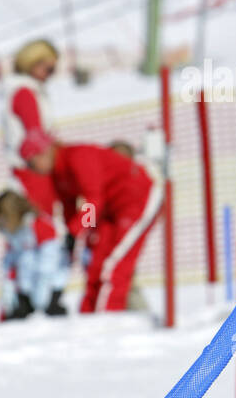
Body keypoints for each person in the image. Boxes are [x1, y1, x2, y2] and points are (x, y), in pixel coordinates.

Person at [21, 129, 163, 313]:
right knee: (95, 267)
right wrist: (71, 236)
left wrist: (76, 230)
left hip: (137, 200)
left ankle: (106, 321)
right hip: (108, 212)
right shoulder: (58, 174)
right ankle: (88, 319)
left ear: (44, 152)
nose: (33, 169)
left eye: (32, 163)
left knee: (113, 267)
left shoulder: (78, 157)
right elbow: (69, 208)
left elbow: (93, 200)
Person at [3, 38, 60, 220]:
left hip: (30, 169)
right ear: (33, 64)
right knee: (41, 225)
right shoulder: (25, 93)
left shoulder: (27, 90)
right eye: (48, 69)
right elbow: (34, 135)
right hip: (33, 172)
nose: (50, 75)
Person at [0, 188, 68, 319]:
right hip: (27, 287)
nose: (2, 225)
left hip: (49, 286)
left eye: (4, 220)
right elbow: (12, 261)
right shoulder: (15, 233)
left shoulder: (39, 225)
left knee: (52, 315)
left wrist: (42, 295)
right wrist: (9, 286)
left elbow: (49, 261)